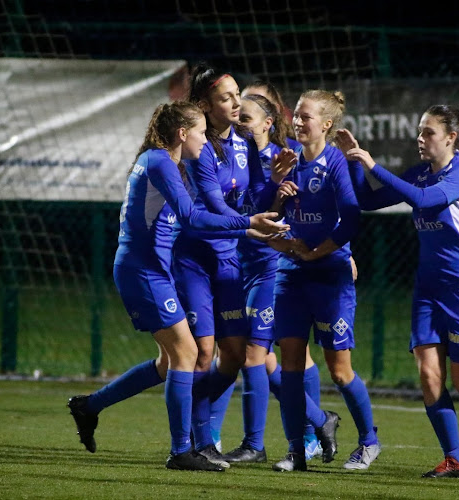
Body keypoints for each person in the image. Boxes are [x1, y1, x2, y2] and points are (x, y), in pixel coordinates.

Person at [67, 101, 287, 471]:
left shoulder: (168, 164)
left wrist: (250, 228)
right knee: (187, 354)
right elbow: (191, 216)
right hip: (143, 270)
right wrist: (248, 222)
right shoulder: (159, 162)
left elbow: (195, 222)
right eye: (200, 132)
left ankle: (90, 406)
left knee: (169, 362)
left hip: (153, 270)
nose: (205, 139)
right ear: (182, 133)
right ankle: (182, 451)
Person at [334, 104, 459, 478]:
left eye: (428, 133)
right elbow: (368, 201)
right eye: (420, 131)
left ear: (451, 138)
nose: (420, 139)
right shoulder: (422, 173)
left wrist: (373, 165)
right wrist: (354, 162)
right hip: (427, 288)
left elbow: (422, 200)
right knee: (428, 375)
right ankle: (454, 460)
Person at [171, 62, 295, 468]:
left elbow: (258, 196)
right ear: (206, 105)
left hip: (229, 259)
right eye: (226, 97)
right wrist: (249, 226)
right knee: (203, 352)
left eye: (238, 94)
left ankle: (198, 422)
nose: (236, 102)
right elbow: (212, 204)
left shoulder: (244, 142)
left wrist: (275, 190)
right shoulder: (199, 149)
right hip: (195, 258)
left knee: (237, 353)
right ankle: (200, 441)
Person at [213, 91, 341, 464]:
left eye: (247, 119)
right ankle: (318, 420)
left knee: (257, 354)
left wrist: (340, 253)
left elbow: (315, 210)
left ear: (269, 123)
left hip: (272, 267)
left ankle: (256, 444)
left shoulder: (286, 159)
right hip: (237, 267)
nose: (240, 125)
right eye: (237, 120)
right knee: (237, 353)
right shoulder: (231, 159)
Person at [269, 89, 381, 472]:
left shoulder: (336, 163)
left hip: (330, 273)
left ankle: (369, 442)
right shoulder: (285, 161)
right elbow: (265, 222)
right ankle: (297, 449)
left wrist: (317, 252)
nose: (298, 122)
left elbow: (351, 220)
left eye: (306, 117)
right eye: (296, 116)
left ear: (327, 125)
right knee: (290, 369)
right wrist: (275, 194)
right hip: (291, 275)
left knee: (339, 369)